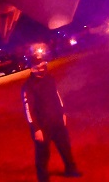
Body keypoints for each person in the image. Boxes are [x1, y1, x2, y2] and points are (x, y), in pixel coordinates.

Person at [21, 45, 81, 181]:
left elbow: (57, 96)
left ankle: (71, 169)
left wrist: (63, 113)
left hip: (57, 121)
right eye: (38, 66)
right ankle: (43, 178)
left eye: (43, 64)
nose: (42, 68)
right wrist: (36, 129)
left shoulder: (50, 79)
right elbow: (28, 109)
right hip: (42, 127)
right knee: (43, 154)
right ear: (32, 68)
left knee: (65, 147)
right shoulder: (28, 86)